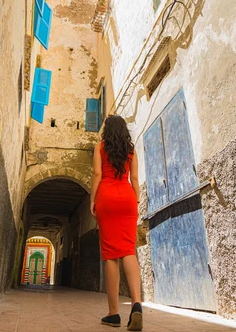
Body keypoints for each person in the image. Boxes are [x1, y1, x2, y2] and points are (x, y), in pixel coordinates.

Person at [90, 115, 143, 331]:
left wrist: (92, 200)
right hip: (128, 197)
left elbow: (97, 174)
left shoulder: (100, 147)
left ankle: (113, 314)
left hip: (107, 196)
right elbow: (136, 179)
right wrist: (136, 201)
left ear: (107, 130)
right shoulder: (131, 150)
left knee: (111, 255)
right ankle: (137, 302)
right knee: (128, 250)